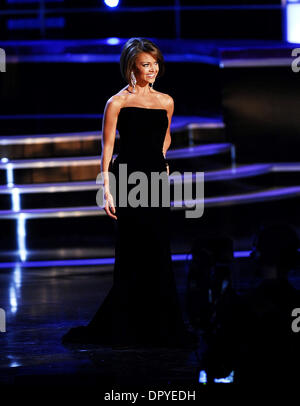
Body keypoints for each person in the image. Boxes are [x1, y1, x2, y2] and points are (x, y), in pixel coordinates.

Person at [62, 37, 196, 349]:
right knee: (132, 251)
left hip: (156, 180)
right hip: (127, 179)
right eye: (146, 65)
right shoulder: (117, 102)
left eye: (155, 63)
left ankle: (161, 325)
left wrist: (162, 161)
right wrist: (106, 189)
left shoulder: (166, 101)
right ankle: (127, 324)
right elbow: (107, 147)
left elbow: (166, 137)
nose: (153, 69)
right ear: (131, 69)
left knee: (159, 250)